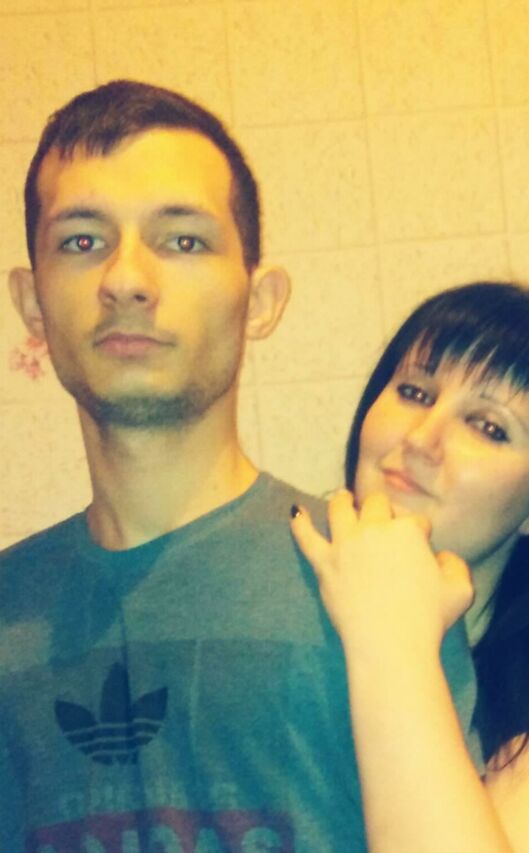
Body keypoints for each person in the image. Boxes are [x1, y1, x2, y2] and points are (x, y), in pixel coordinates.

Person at [0, 80, 479, 851]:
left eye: (182, 240)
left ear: (260, 301)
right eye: (82, 241)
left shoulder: (376, 582)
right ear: (31, 302)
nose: (126, 278)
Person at [292, 281, 529, 851]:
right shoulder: (280, 597)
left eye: (488, 427)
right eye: (414, 392)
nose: (421, 438)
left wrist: (393, 642)